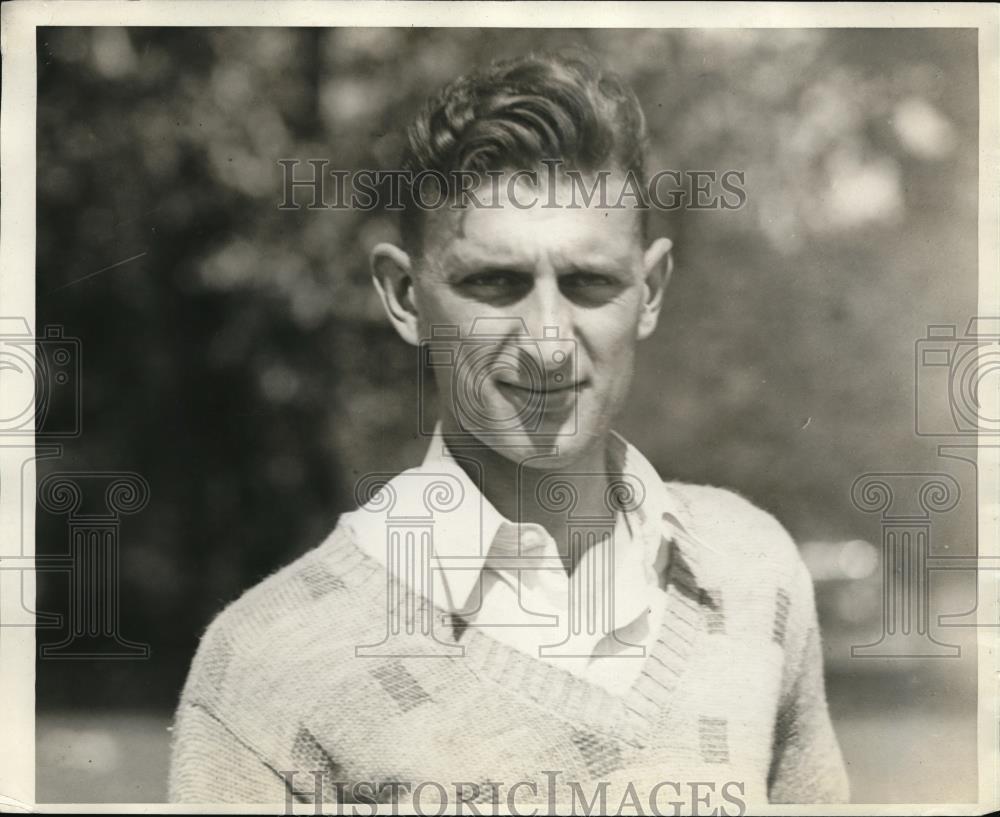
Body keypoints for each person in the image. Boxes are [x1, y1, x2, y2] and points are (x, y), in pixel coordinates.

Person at [168, 51, 849, 809]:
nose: (549, 341)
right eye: (495, 283)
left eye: (590, 283)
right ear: (403, 294)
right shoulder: (267, 664)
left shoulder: (753, 573)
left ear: (650, 291)